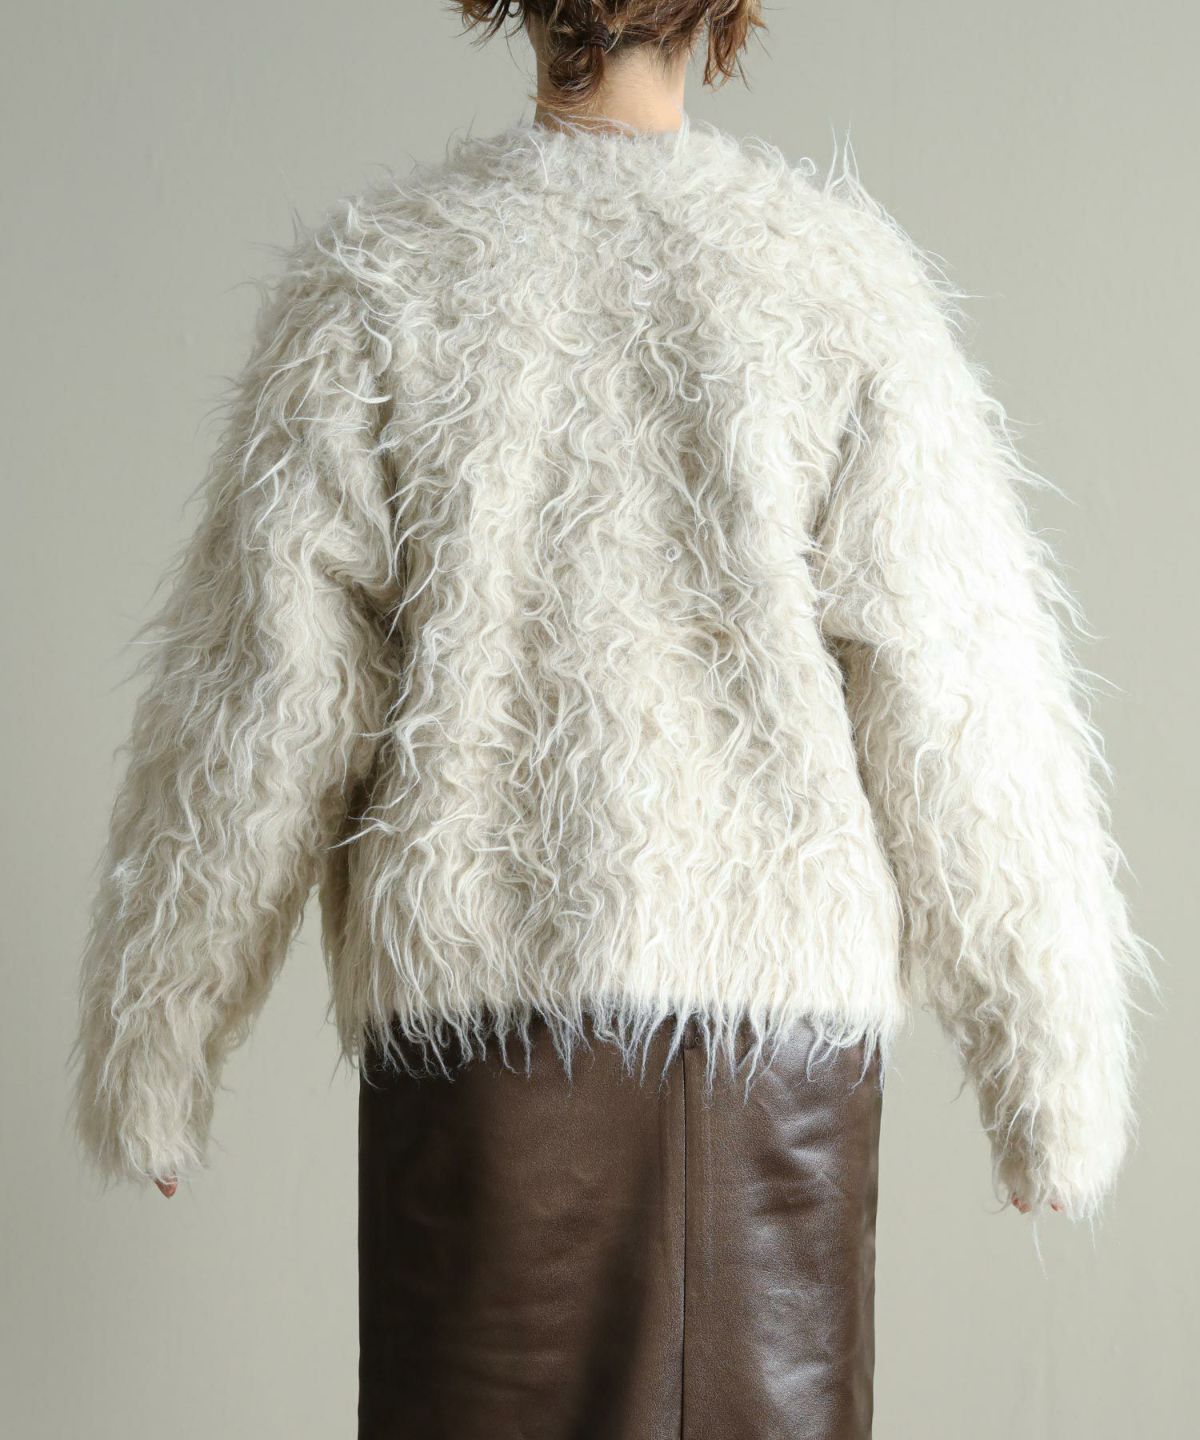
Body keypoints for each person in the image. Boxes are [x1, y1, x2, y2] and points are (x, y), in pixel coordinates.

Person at [69, 3, 1153, 1436]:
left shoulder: (386, 285)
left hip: (482, 1061)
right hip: (774, 1087)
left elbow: (259, 701)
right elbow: (963, 697)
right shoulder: (837, 285)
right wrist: (1047, 1074)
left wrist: (161, 1037)